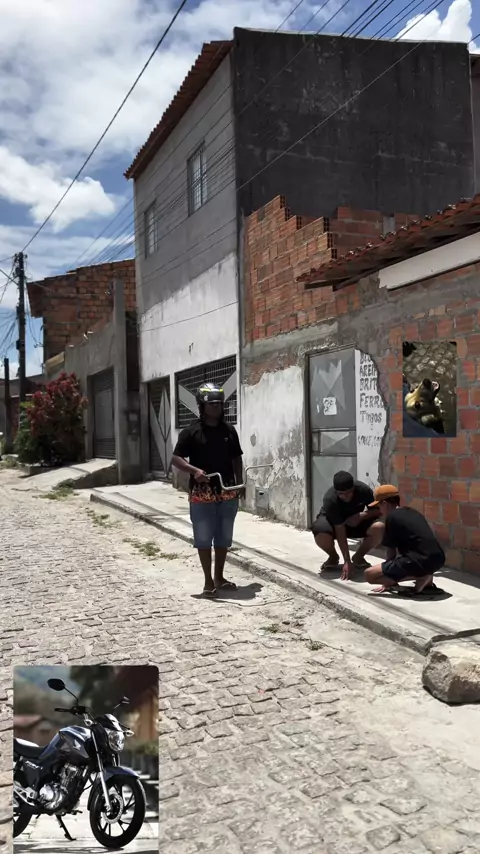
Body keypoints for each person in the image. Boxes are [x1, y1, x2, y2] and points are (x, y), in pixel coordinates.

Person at [172, 383, 244, 598]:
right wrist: (194, 471)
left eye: (219, 404)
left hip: (227, 490)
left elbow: (236, 458)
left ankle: (219, 577)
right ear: (202, 406)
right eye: (212, 404)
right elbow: (176, 458)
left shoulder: (229, 430)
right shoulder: (191, 432)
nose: (216, 408)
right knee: (203, 538)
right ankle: (208, 581)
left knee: (223, 537)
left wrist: (240, 483)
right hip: (202, 493)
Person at [364, 484, 446, 594]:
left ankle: (423, 576)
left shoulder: (392, 517)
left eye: (379, 507)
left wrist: (387, 581)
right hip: (438, 559)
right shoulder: (412, 512)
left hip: (420, 560)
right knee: (408, 563)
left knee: (369, 575)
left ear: (385, 504)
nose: (380, 511)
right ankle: (425, 577)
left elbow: (391, 555)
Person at [311, 471, 385, 580]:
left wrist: (362, 515)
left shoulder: (363, 489)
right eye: (341, 494)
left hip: (355, 522)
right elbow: (340, 529)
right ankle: (333, 557)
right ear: (336, 492)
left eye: (349, 492)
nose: (345, 496)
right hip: (333, 524)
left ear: (353, 488)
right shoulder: (330, 499)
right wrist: (346, 561)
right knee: (320, 532)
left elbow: (379, 510)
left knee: (379, 527)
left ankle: (358, 558)